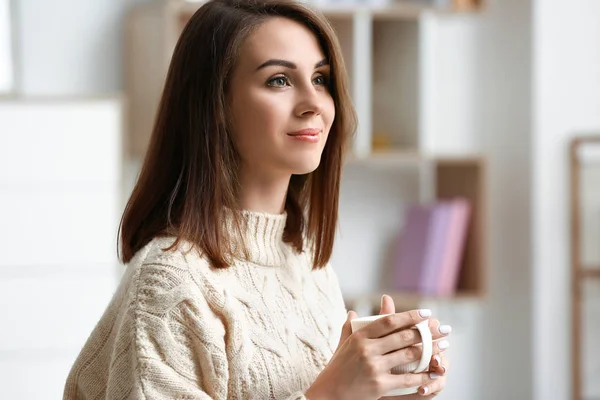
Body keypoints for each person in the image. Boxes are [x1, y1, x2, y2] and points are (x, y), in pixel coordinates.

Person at [63, 0, 451, 399]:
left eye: (320, 79)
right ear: (214, 106)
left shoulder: (309, 266)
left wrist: (386, 388)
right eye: (279, 80)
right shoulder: (169, 283)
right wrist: (332, 394)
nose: (314, 103)